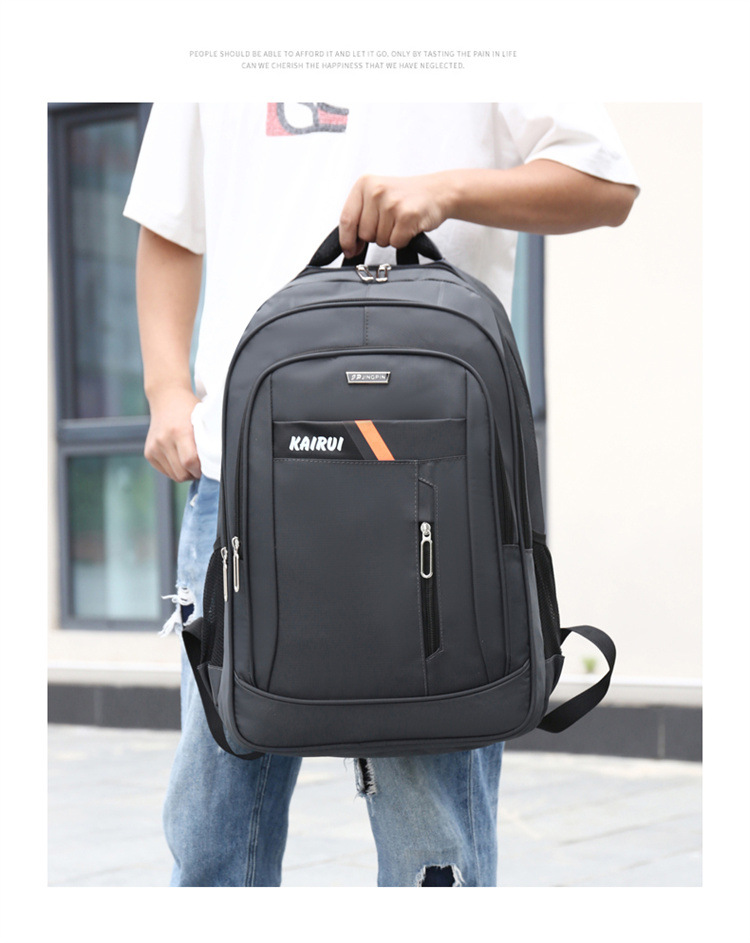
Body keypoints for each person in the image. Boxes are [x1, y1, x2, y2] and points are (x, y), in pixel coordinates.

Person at [124, 103, 639, 887]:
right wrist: (166, 389)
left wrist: (446, 191)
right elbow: (171, 223)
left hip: (439, 496)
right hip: (238, 491)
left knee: (434, 855)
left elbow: (607, 183)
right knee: (209, 842)